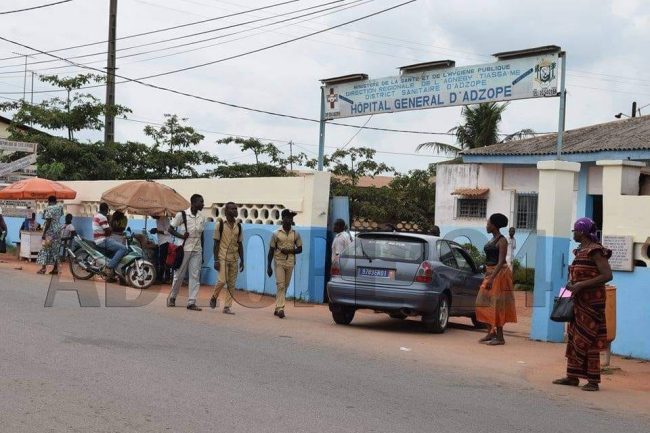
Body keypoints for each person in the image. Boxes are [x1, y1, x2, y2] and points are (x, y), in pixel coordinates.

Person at [553, 217, 612, 392]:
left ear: (582, 231)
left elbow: (607, 275)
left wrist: (581, 285)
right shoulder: (580, 251)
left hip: (592, 303)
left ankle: (593, 381)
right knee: (574, 337)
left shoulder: (596, 251)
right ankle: (572, 376)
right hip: (577, 301)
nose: (574, 234)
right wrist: (566, 294)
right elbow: (575, 277)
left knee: (589, 338)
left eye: (575, 231)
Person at [475, 213, 517, 345]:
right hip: (490, 272)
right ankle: (490, 332)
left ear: (494, 226)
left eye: (488, 224)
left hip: (499, 274)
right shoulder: (492, 240)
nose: (486, 226)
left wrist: (491, 279)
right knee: (482, 302)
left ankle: (500, 337)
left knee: (497, 305)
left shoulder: (502, 240)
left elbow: (501, 262)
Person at [167, 194, 206, 311]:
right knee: (179, 275)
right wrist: (181, 236)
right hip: (183, 250)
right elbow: (170, 229)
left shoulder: (201, 217)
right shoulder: (182, 215)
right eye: (201, 202)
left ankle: (191, 302)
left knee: (195, 276)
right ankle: (173, 297)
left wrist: (202, 252)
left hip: (197, 250)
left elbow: (201, 235)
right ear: (193, 203)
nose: (203, 204)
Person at [267, 209, 302, 319]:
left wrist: (290, 251)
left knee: (285, 286)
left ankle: (277, 307)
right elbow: (271, 251)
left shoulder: (296, 234)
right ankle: (281, 308)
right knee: (280, 285)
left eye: (291, 218)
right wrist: (268, 266)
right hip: (279, 262)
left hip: (290, 263)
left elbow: (300, 249)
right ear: (283, 219)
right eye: (287, 218)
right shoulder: (276, 234)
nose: (289, 220)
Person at [210, 202, 244, 314]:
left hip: (234, 258)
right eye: (233, 209)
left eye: (236, 208)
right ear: (226, 211)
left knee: (232, 284)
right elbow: (215, 244)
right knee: (222, 280)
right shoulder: (219, 224)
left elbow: (240, 244)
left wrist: (242, 260)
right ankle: (214, 296)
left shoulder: (238, 226)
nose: (235, 211)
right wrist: (216, 260)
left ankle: (227, 307)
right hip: (223, 257)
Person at [93, 203, 128, 276]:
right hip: (103, 240)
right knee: (123, 249)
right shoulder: (103, 217)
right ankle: (109, 267)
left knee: (115, 253)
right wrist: (111, 228)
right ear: (106, 209)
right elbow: (108, 230)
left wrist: (111, 227)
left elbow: (111, 229)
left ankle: (113, 273)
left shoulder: (96, 216)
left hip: (102, 238)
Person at [37, 196, 64, 275]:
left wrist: (44, 233)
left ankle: (43, 268)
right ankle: (55, 269)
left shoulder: (48, 208)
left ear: (48, 201)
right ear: (56, 201)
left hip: (50, 231)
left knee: (45, 249)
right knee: (56, 249)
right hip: (58, 230)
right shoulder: (60, 207)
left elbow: (48, 222)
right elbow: (60, 216)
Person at [151, 215, 172, 283]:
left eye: (152, 214)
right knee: (163, 261)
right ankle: (165, 278)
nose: (152, 216)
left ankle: (161, 279)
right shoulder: (157, 220)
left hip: (166, 242)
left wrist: (157, 231)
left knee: (163, 261)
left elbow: (168, 231)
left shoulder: (164, 218)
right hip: (161, 242)